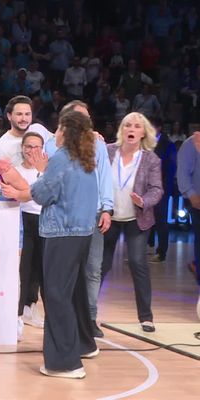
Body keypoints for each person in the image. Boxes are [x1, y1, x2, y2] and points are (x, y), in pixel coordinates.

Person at [30, 111, 99, 379]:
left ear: (66, 132)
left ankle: (65, 363)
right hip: (82, 233)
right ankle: (84, 344)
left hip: (62, 232)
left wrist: (40, 171)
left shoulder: (60, 159)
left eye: (58, 128)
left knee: (57, 294)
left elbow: (42, 194)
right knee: (72, 292)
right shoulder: (86, 159)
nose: (54, 133)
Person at [45, 100, 114, 338]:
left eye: (86, 118)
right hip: (65, 217)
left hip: (93, 214)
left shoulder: (98, 145)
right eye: (77, 119)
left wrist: (107, 208)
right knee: (67, 272)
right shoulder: (53, 144)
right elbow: (50, 175)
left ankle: (90, 318)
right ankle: (67, 319)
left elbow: (105, 176)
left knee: (93, 269)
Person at [101, 112, 163, 333]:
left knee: (138, 262)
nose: (132, 129)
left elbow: (157, 189)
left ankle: (146, 317)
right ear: (121, 129)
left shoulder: (151, 159)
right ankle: (87, 315)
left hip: (137, 218)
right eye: (128, 125)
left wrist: (144, 200)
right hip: (108, 216)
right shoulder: (107, 152)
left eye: (137, 126)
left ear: (143, 132)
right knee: (101, 265)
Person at [1, 132, 48, 338]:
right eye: (28, 147)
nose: (32, 151)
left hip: (45, 223)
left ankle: (32, 306)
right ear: (22, 148)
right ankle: (17, 316)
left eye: (36, 147)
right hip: (22, 222)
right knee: (23, 271)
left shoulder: (48, 171)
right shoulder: (16, 171)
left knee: (42, 270)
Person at [177, 131, 200, 319]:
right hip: (197, 202)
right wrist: (191, 194)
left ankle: (195, 265)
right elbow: (183, 172)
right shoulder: (191, 143)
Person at [147, 118, 177, 262]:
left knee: (161, 220)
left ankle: (161, 252)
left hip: (161, 189)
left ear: (158, 127)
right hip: (145, 189)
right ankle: (145, 249)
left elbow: (170, 170)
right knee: (145, 219)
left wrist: (163, 190)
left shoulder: (168, 145)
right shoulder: (145, 143)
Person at [0, 95, 52, 164]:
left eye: (27, 114)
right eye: (19, 114)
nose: (24, 119)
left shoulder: (38, 129)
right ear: (9, 116)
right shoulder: (1, 147)